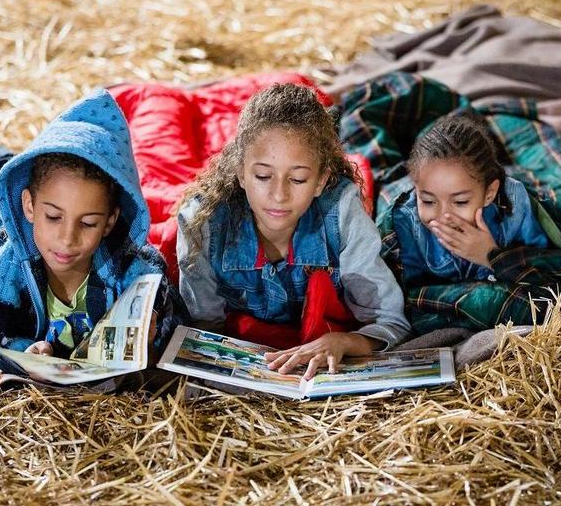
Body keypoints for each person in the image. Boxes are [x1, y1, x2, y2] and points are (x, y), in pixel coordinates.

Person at [0, 89, 185, 374]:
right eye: (53, 217)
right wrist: (21, 357)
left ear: (110, 221)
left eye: (88, 223)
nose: (67, 239)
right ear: (29, 206)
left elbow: (174, 329)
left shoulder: (136, 275)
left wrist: (151, 345)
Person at [176, 83, 411, 380]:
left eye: (298, 179)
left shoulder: (342, 213)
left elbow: (391, 322)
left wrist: (344, 341)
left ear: (321, 181)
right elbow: (201, 328)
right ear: (241, 173)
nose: (279, 195)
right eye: (263, 176)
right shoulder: (202, 224)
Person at [391, 113, 550, 287]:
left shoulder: (513, 204)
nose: (443, 216)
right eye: (428, 201)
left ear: (489, 194)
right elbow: (410, 291)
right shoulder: (404, 222)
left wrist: (491, 256)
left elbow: (544, 272)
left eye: (460, 202)